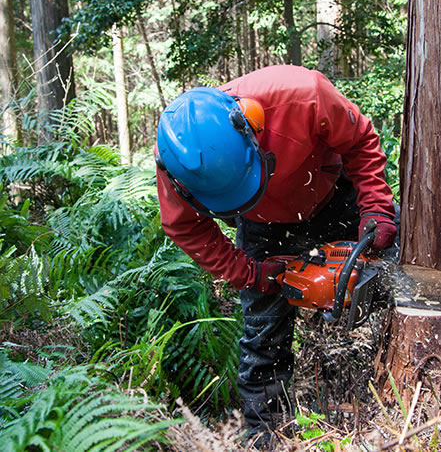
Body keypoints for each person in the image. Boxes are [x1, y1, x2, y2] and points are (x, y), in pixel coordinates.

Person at [155, 65, 397, 439]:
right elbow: (183, 226)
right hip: (261, 227)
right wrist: (250, 273)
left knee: (392, 264)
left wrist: (376, 205)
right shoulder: (177, 162)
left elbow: (359, 141)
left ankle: (395, 381)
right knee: (263, 332)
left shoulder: (302, 95)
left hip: (334, 193)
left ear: (251, 126)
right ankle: (268, 435)